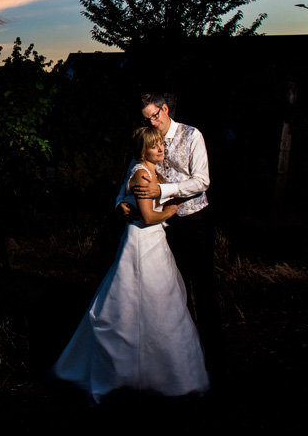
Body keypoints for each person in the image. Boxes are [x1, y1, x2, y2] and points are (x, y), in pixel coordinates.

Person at [51, 126, 209, 403]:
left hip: (152, 241)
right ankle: (130, 374)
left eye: (162, 145)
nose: (162, 149)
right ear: (142, 151)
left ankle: (155, 371)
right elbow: (148, 217)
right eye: (155, 147)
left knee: (157, 302)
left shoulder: (145, 169)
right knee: (139, 301)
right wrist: (172, 209)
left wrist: (122, 201)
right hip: (143, 242)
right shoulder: (141, 173)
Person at [118, 93, 220, 368]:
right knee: (173, 287)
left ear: (165, 109)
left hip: (193, 219)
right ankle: (182, 349)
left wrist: (161, 190)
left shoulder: (192, 135)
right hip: (160, 224)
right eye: (146, 118)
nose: (152, 121)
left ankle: (213, 352)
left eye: (154, 115)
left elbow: (202, 181)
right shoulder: (149, 136)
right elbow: (133, 168)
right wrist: (121, 201)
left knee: (203, 284)